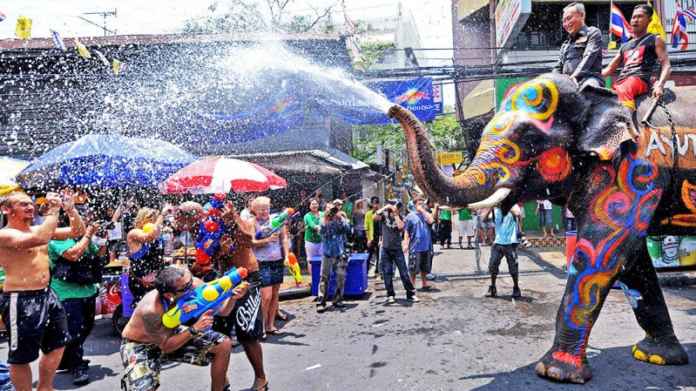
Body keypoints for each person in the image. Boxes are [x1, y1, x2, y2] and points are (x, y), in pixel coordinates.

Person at [0, 190, 85, 391]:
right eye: (23, 204)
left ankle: (45, 387)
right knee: (21, 357)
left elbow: (76, 232)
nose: (30, 207)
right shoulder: (4, 234)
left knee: (59, 344)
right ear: (6, 209)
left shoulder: (39, 229)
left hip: (47, 295)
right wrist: (54, 210)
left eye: (31, 203)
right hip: (20, 298)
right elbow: (39, 238)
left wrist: (71, 210)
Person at [120, 266, 246, 391]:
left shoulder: (193, 284)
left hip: (171, 334)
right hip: (139, 344)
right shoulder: (152, 310)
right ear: (169, 294)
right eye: (186, 287)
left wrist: (233, 298)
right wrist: (193, 329)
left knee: (223, 345)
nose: (192, 286)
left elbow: (224, 311)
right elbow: (166, 347)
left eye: (190, 281)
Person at [214, 200, 268, 391]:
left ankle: (261, 378)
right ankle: (222, 381)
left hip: (248, 278)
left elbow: (249, 239)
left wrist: (235, 218)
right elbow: (214, 253)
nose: (223, 213)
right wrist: (220, 249)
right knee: (219, 334)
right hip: (224, 280)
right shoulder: (215, 225)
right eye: (220, 210)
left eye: (226, 209)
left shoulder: (247, 219)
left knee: (247, 332)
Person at [48, 217, 107, 386]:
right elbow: (74, 254)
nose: (84, 224)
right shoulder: (58, 238)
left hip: (87, 290)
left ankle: (67, 359)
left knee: (86, 328)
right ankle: (77, 365)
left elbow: (98, 253)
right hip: (66, 293)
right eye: (80, 222)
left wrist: (103, 239)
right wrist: (87, 234)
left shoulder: (83, 237)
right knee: (74, 331)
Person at [602, 4, 671, 117]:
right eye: (633, 17)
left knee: (626, 87)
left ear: (649, 20)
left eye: (640, 17)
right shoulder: (624, 46)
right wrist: (589, 74)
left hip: (640, 80)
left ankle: (626, 122)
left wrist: (660, 85)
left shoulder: (655, 40)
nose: (635, 20)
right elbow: (609, 69)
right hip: (622, 82)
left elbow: (666, 65)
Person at [250, 196, 288, 335]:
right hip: (261, 261)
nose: (264, 211)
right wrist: (267, 240)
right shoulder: (252, 222)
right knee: (266, 296)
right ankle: (260, 326)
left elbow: (284, 238)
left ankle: (270, 325)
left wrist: (287, 255)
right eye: (261, 209)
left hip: (277, 259)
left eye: (266, 208)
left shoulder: (277, 220)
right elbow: (252, 242)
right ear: (254, 210)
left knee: (275, 294)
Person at [126, 205, 172, 306]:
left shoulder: (157, 233)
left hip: (156, 280)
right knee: (145, 310)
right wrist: (162, 215)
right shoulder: (134, 233)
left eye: (153, 218)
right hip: (141, 281)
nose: (152, 220)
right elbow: (148, 237)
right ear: (141, 219)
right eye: (149, 217)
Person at [374, 200, 418, 304]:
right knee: (387, 273)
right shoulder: (383, 216)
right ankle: (390, 295)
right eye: (395, 206)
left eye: (397, 207)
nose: (395, 208)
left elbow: (401, 227)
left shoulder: (401, 217)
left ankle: (410, 294)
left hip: (397, 249)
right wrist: (385, 207)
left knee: (404, 272)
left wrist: (396, 214)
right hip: (386, 249)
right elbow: (374, 217)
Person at [554, 2, 604, 88]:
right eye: (564, 21)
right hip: (567, 83)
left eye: (569, 18)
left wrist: (574, 76)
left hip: (589, 79)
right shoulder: (565, 44)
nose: (566, 24)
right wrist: (552, 80)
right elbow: (558, 67)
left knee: (589, 89)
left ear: (582, 15)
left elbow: (588, 57)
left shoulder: (593, 33)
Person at [316, 201, 352, 312]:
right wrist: (326, 220)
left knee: (340, 277)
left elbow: (348, 230)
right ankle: (321, 301)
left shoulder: (340, 218)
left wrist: (340, 218)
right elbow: (321, 232)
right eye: (329, 209)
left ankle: (338, 300)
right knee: (324, 277)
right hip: (327, 253)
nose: (331, 211)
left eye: (333, 209)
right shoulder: (323, 219)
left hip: (339, 253)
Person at [484, 205, 522, 298]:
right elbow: (484, 219)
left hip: (511, 243)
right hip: (497, 242)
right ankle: (493, 287)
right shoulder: (495, 209)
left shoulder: (513, 205)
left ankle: (516, 287)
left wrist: (505, 204)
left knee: (513, 268)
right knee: (492, 265)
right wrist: (491, 207)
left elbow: (518, 213)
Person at [404, 194, 434, 291]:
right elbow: (406, 231)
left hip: (426, 245)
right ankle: (412, 285)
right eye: (419, 203)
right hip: (415, 246)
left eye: (422, 203)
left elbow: (431, 220)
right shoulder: (410, 216)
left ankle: (424, 283)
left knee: (424, 267)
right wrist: (405, 243)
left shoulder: (426, 214)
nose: (421, 205)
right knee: (413, 268)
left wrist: (422, 211)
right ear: (415, 205)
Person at [303, 198, 323, 275]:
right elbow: (312, 225)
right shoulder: (307, 216)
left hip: (321, 241)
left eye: (316, 204)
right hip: (310, 241)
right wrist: (319, 227)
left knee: (322, 259)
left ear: (318, 205)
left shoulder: (322, 214)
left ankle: (321, 278)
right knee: (310, 260)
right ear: (309, 206)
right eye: (312, 204)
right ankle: (312, 278)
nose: (314, 205)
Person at [364, 196, 382, 277]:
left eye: (377, 203)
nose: (375, 205)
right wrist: (368, 239)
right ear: (372, 204)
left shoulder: (381, 213)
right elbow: (366, 227)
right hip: (371, 237)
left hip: (380, 237)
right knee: (369, 254)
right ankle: (366, 271)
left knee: (379, 255)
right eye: (374, 203)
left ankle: (377, 271)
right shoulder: (368, 214)